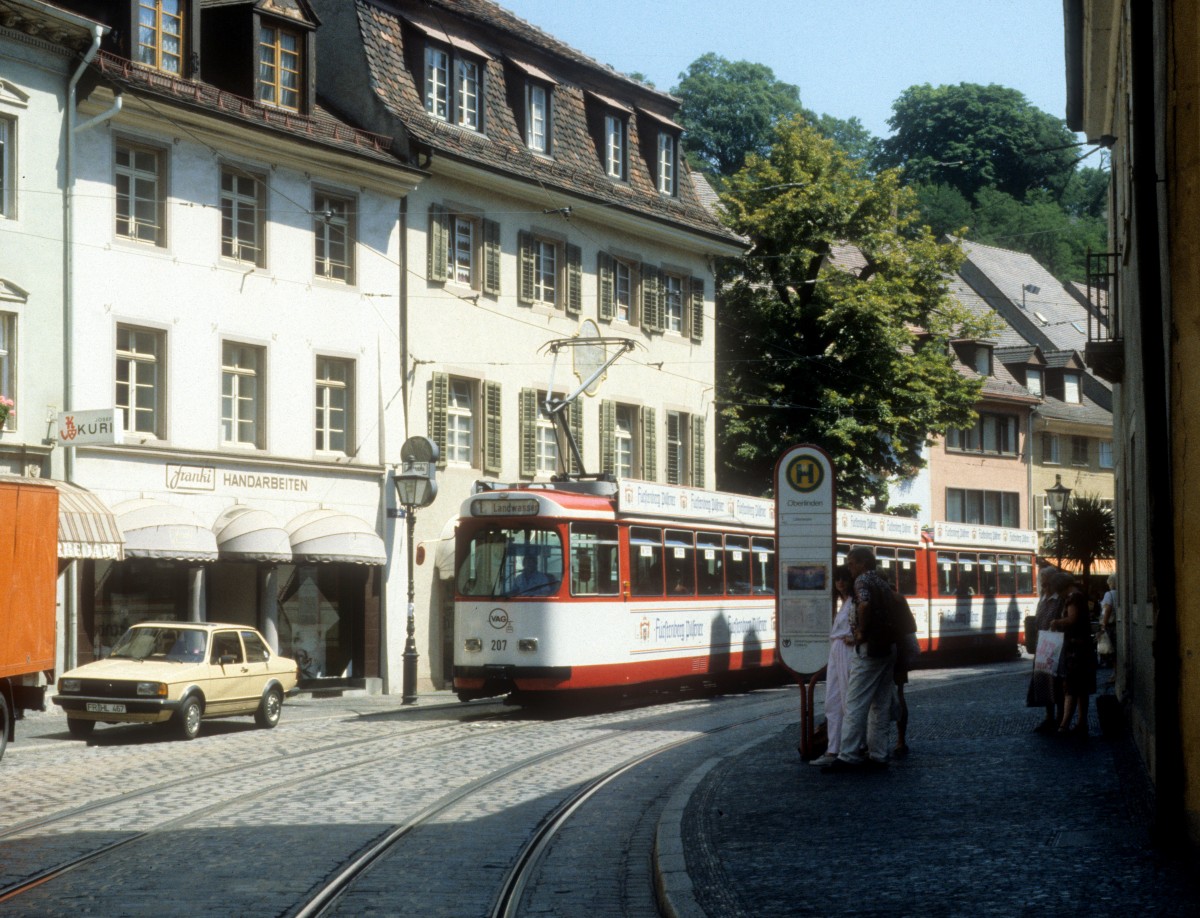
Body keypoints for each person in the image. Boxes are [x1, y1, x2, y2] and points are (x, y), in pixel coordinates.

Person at [823, 546, 896, 773]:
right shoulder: (883, 583)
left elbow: (863, 603)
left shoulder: (863, 581)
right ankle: (879, 754)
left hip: (870, 648)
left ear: (864, 563)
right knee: (881, 704)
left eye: (852, 562)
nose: (849, 567)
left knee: (854, 702)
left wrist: (861, 632)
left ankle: (848, 755)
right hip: (888, 646)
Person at [809, 566, 855, 767]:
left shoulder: (854, 601)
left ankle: (848, 748)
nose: (840, 583)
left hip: (846, 649)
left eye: (844, 579)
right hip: (836, 648)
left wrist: (855, 636)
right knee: (833, 699)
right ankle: (832, 748)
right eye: (837, 579)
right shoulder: (842, 602)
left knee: (847, 699)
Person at [1049, 571, 1097, 737]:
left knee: (1070, 686)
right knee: (1082, 688)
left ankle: (1064, 724)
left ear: (1062, 587)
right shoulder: (1080, 595)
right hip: (1084, 647)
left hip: (1075, 649)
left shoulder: (1072, 597)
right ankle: (1081, 723)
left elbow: (1072, 619)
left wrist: (1056, 622)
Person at [1026, 565, 1064, 733]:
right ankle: (1049, 717)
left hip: (1056, 646)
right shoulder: (1043, 598)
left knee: (1057, 683)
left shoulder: (1060, 599)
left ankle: (1061, 718)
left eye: (1048, 584)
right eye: (1043, 584)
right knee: (1043, 682)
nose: (1045, 588)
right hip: (1043, 645)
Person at [892, 592, 920, 757]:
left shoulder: (876, 597)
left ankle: (873, 743)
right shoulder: (898, 598)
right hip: (899, 652)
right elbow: (911, 626)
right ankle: (901, 740)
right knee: (899, 694)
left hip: (886, 653)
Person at [1099, 575, 1117, 669]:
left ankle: (1115, 672)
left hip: (1110, 625)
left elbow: (1108, 609)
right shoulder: (1120, 593)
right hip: (1117, 624)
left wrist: (1103, 625)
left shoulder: (1109, 594)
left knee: (1110, 650)